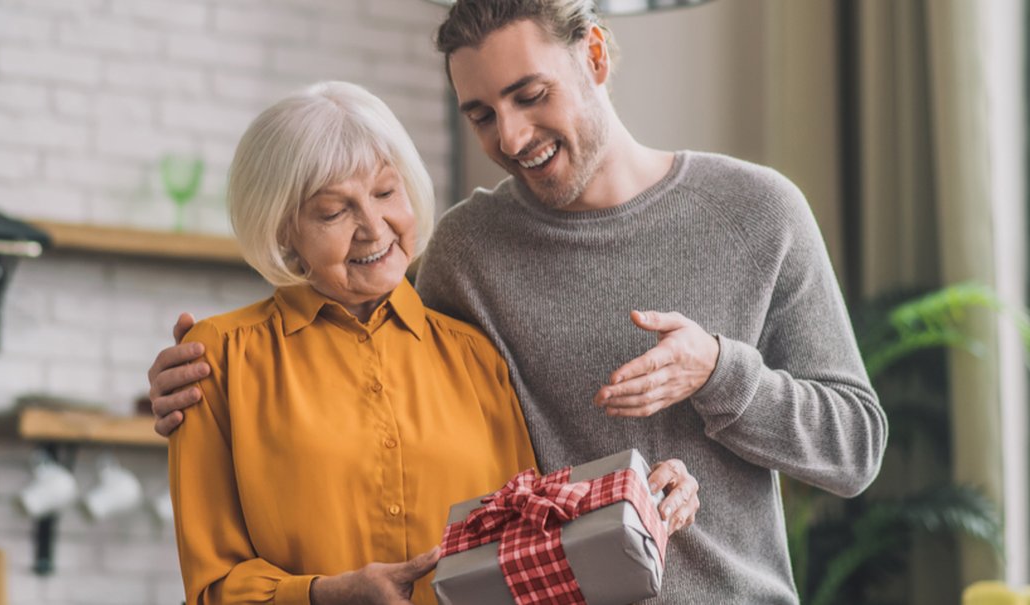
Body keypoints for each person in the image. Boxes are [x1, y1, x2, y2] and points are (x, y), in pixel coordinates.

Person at [151, 1, 887, 603]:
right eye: (480, 113)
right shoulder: (468, 250)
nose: (509, 136)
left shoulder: (760, 211)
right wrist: (200, 373)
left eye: (530, 96)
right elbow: (352, 323)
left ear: (595, 55)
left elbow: (855, 447)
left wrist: (721, 371)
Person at [164, 80, 700, 605]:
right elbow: (213, 586)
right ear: (283, 231)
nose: (374, 228)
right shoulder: (218, 359)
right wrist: (325, 596)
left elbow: (525, 541)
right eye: (334, 211)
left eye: (385, 192)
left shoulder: (474, 355)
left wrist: (640, 495)